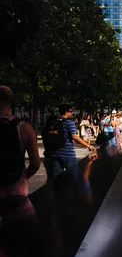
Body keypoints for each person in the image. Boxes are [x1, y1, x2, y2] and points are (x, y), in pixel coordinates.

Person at [0, 86, 41, 221]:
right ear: (11, 101)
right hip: (17, 193)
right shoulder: (25, 128)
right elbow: (35, 163)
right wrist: (23, 178)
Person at [45, 104, 95, 187]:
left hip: (55, 154)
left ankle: (59, 196)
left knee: (57, 179)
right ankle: (76, 196)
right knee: (75, 177)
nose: (72, 113)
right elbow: (74, 136)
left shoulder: (54, 122)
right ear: (66, 112)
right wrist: (87, 145)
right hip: (68, 154)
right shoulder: (69, 122)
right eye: (71, 111)